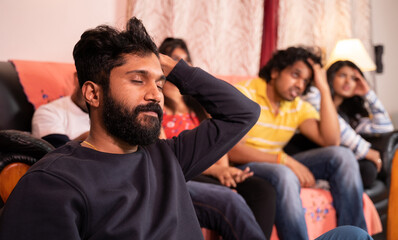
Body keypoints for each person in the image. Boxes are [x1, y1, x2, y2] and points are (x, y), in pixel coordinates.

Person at [0, 17, 261, 240]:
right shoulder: (51, 183)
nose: (155, 95)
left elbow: (242, 113)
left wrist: (174, 68)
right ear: (93, 93)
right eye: (138, 80)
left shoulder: (168, 156)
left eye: (159, 84)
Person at [228, 47, 367, 240]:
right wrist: (283, 161)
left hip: (277, 162)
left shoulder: (296, 105)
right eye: (295, 75)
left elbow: (331, 140)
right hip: (245, 165)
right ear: (276, 72)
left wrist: (324, 89)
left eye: (306, 81)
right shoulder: (245, 93)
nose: (300, 85)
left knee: (343, 156)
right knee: (284, 173)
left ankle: (354, 236)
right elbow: (232, 151)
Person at [159, 37, 276, 239]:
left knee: (262, 190)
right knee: (227, 197)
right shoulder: (156, 101)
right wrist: (217, 171)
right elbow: (163, 155)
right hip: (183, 168)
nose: (180, 65)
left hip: (212, 167)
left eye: (185, 61)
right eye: (176, 60)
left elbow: (221, 136)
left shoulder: (197, 105)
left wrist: (226, 168)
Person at [303, 60, 394, 188]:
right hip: (312, 152)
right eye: (342, 75)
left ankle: (330, 184)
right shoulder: (315, 95)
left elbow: (386, 128)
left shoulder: (352, 116)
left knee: (368, 169)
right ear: (330, 76)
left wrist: (368, 93)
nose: (348, 82)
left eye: (354, 79)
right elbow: (339, 128)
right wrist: (366, 151)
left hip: (340, 159)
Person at [31, 72, 89, 148]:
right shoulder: (49, 112)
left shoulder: (108, 114)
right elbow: (59, 154)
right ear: (78, 78)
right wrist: (94, 138)